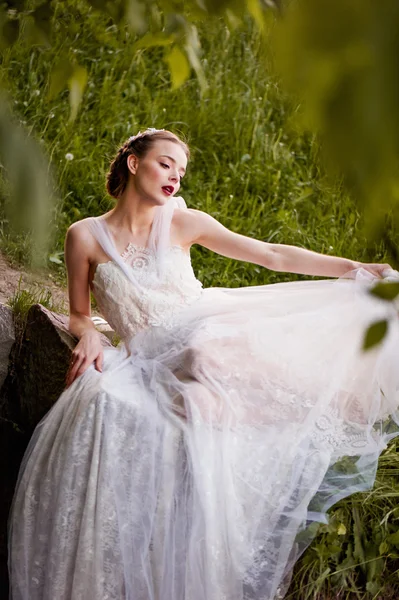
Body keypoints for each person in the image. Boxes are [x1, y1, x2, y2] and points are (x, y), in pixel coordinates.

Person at [8, 128, 399, 600]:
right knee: (197, 405)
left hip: (206, 329)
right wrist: (88, 332)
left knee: (204, 351)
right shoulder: (84, 236)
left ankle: (337, 403)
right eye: (166, 163)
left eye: (181, 170)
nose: (175, 176)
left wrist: (353, 267)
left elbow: (271, 255)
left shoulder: (182, 222)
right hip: (153, 354)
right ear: (134, 163)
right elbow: (75, 311)